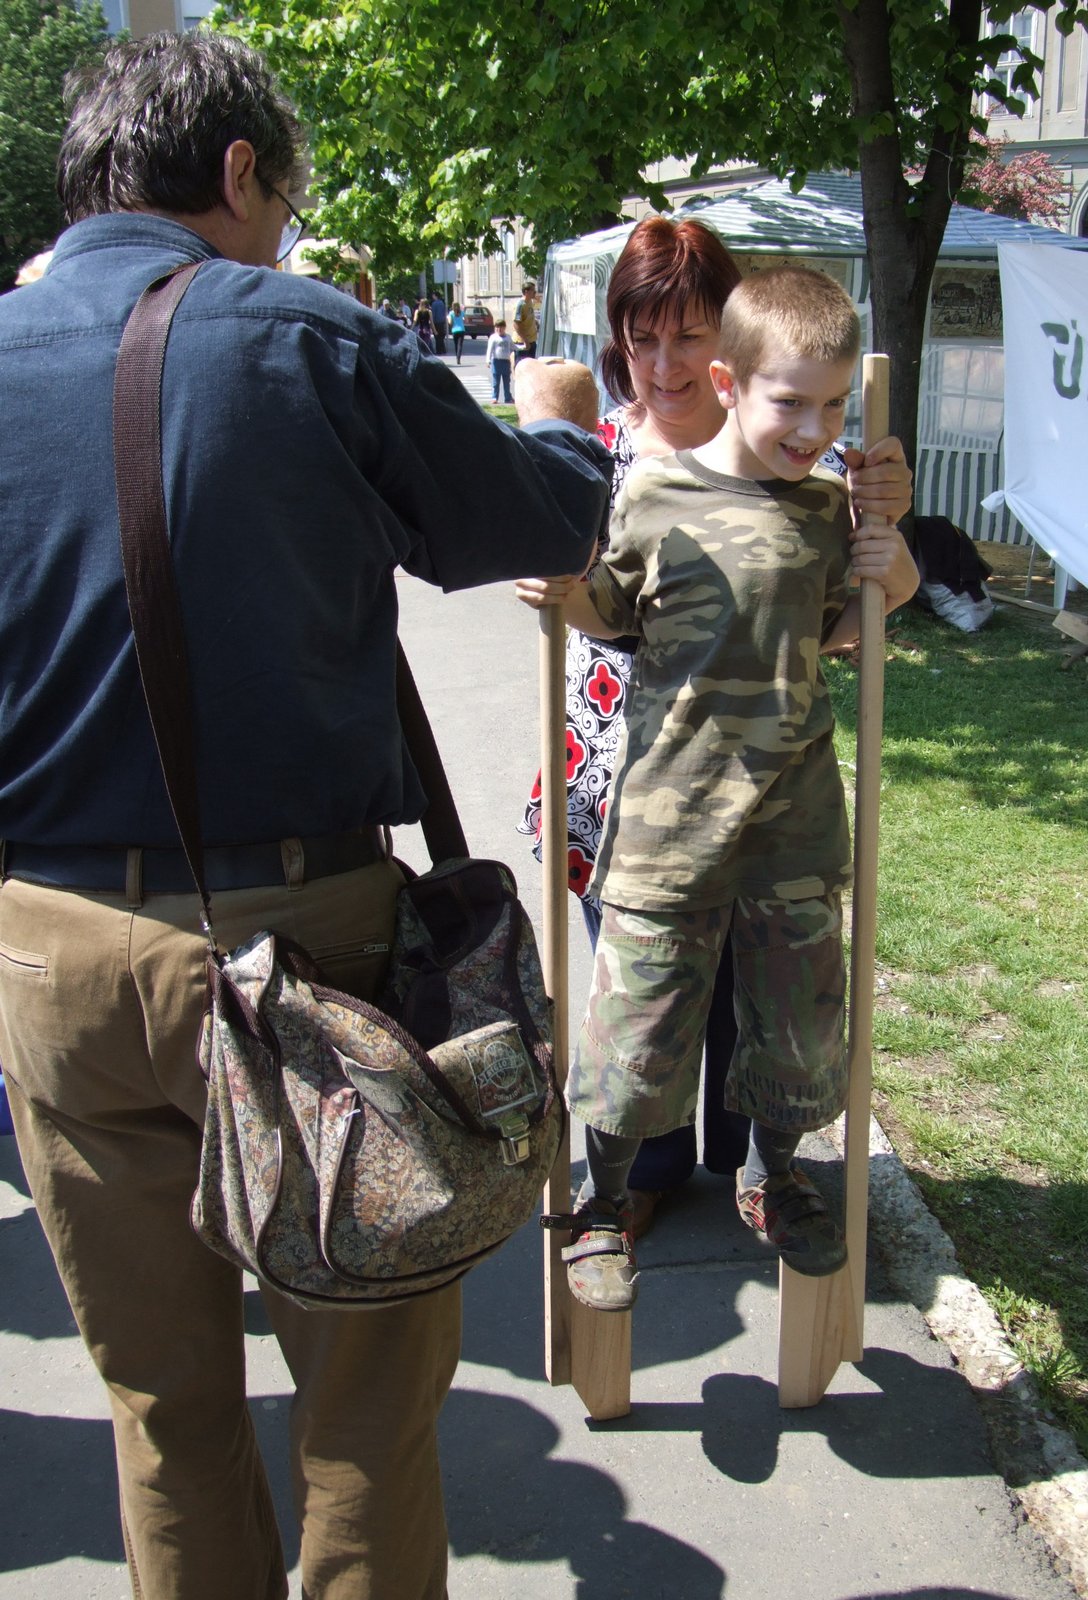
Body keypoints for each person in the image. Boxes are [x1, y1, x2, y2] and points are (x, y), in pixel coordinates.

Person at [0, 30, 610, 1600]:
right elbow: (538, 515)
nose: (283, 230)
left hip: (50, 956)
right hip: (303, 953)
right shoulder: (302, 333)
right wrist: (564, 416)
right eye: (285, 197)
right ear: (238, 170)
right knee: (363, 1417)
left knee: (162, 1413)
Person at [518, 264, 919, 1312]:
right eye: (792, 402)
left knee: (796, 1025)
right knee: (639, 1031)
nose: (815, 427)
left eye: (834, 405)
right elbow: (610, 611)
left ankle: (773, 1176)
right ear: (732, 384)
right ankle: (604, 1204)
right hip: (671, 820)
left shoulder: (830, 508)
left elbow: (858, 624)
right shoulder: (656, 493)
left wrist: (895, 557)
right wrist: (559, 585)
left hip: (793, 824)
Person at [487, 318, 515, 402]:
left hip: (506, 361)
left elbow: (513, 347)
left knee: (507, 381)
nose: (499, 329)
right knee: (496, 381)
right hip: (496, 361)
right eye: (497, 327)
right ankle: (494, 397)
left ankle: (508, 398)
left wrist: (522, 348)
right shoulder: (493, 337)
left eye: (501, 327)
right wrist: (488, 360)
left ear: (504, 328)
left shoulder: (508, 337)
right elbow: (489, 349)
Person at [513, 281, 538, 361]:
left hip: (532, 340)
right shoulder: (520, 305)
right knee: (522, 365)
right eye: (533, 291)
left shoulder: (530, 302)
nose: (535, 292)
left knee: (531, 366)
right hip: (522, 342)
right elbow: (516, 324)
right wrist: (525, 340)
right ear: (526, 292)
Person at [431, 288, 448, 353]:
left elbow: (433, 314)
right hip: (442, 321)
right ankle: (443, 349)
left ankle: (439, 350)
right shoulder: (442, 303)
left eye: (433, 296)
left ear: (436, 296)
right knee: (441, 336)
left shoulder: (434, 304)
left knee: (437, 336)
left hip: (436, 322)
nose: (432, 297)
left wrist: (432, 322)